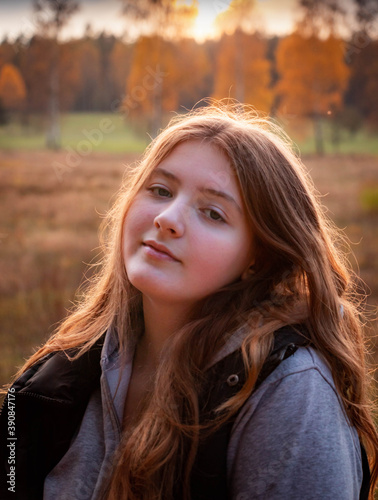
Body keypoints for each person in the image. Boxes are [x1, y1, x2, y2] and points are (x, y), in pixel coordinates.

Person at [1, 103, 377, 500]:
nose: (168, 217)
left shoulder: (289, 392)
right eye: (160, 190)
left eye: (213, 213)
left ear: (259, 257)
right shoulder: (69, 364)